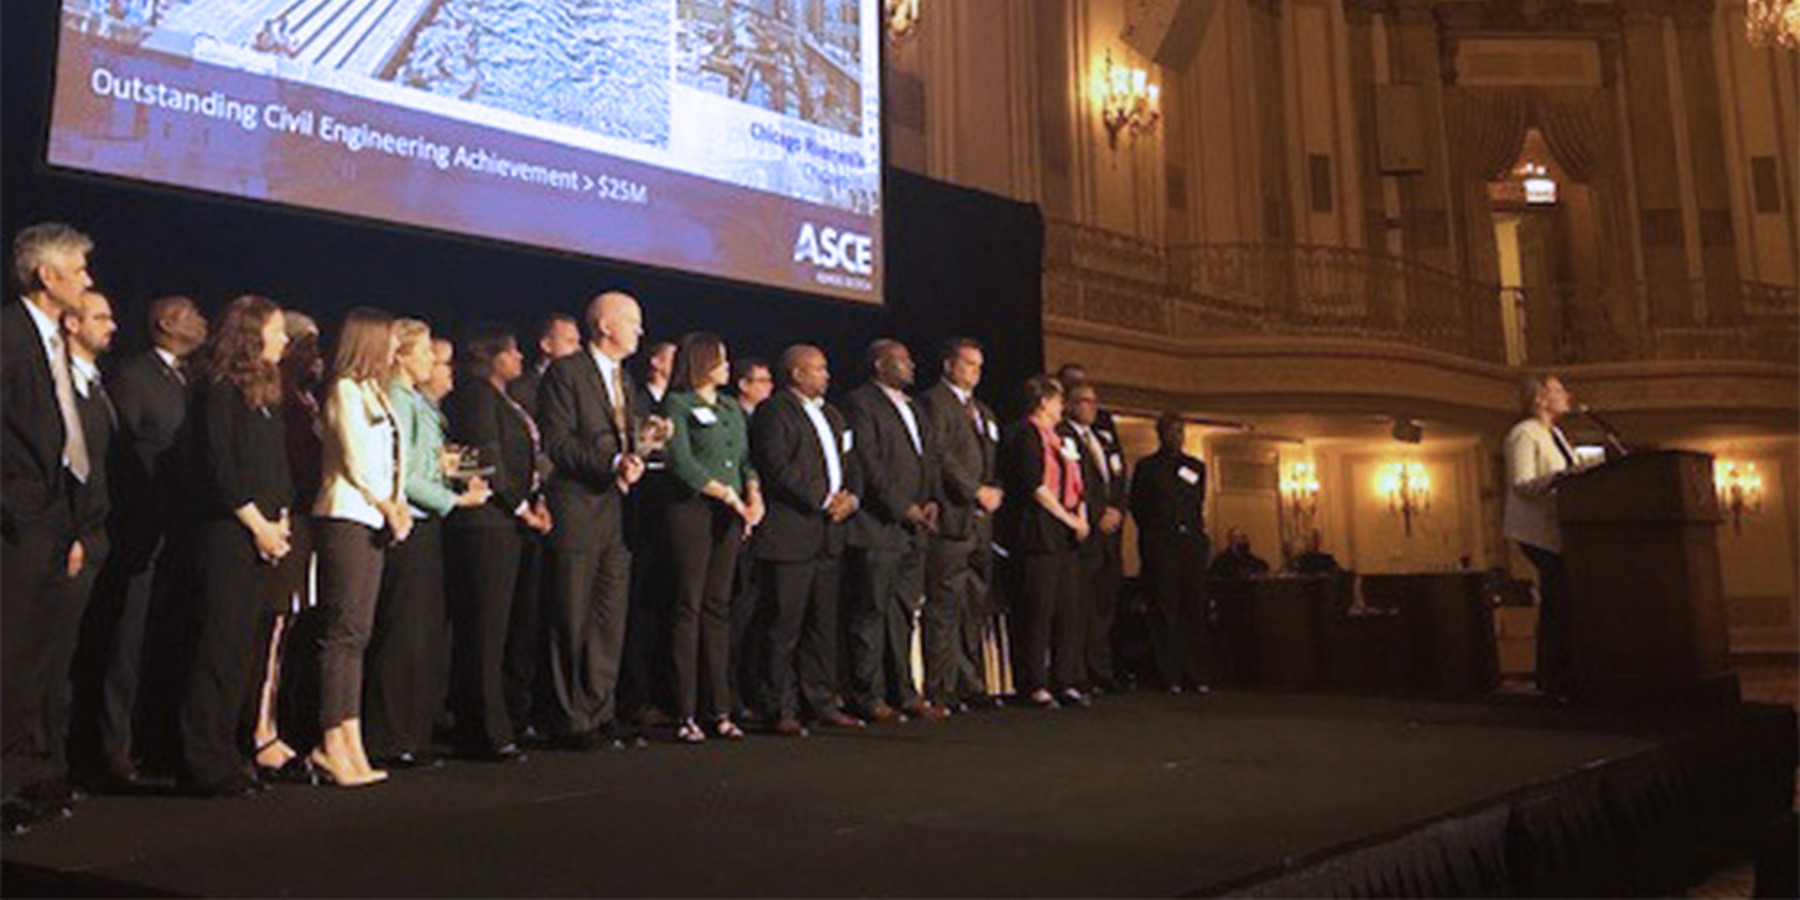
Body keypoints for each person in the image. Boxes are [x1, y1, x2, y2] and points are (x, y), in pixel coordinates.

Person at [80, 294, 204, 789]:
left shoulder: (189, 380)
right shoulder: (135, 376)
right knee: (124, 648)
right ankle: (112, 750)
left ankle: (156, 741)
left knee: (163, 641)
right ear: (168, 323)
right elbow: (122, 457)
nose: (203, 322)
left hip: (178, 535)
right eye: (193, 314)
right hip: (140, 533)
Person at [177, 295, 293, 797]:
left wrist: (280, 521)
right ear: (252, 334)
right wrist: (257, 524)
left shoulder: (264, 394)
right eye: (277, 329)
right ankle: (201, 761)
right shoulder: (219, 389)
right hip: (229, 534)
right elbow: (219, 467)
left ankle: (226, 751)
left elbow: (274, 467)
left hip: (263, 536)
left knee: (243, 650)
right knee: (217, 648)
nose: (285, 339)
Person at [3, 224, 96, 833]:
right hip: (16, 522)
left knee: (37, 659)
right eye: (79, 270)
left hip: (53, 521)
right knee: (6, 654)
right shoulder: (8, 335)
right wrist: (18, 510)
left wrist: (67, 524)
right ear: (47, 277)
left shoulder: (52, 344)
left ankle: (24, 776)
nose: (88, 281)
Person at [364, 320, 489, 768]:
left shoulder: (417, 402)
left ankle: (408, 733)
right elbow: (406, 475)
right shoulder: (398, 400)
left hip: (425, 523)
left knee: (420, 633)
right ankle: (388, 736)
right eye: (426, 355)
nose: (433, 364)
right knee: (401, 633)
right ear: (401, 356)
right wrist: (456, 499)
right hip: (410, 523)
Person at [539, 292, 655, 751]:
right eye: (633, 322)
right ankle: (569, 717)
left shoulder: (624, 380)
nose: (640, 331)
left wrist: (639, 454)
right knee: (571, 616)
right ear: (606, 325)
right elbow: (558, 441)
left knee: (608, 617)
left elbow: (627, 444)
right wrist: (611, 463)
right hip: (576, 509)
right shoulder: (567, 374)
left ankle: (599, 708)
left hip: (615, 514)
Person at [311, 308, 406, 787]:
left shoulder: (375, 392)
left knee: (359, 634)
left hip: (376, 516)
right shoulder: (345, 389)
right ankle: (331, 742)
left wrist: (399, 501)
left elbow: (392, 457)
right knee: (342, 631)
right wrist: (387, 503)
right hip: (347, 514)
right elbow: (353, 459)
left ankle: (352, 737)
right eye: (389, 341)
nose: (396, 350)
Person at [443, 325, 547, 761]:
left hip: (512, 524)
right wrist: (522, 507)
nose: (520, 360)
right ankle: (482, 728)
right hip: (487, 524)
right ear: (493, 356)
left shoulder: (506, 399)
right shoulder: (477, 395)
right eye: (513, 352)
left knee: (507, 629)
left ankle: (504, 717)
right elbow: (485, 461)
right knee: (484, 630)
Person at [749, 344, 864, 736]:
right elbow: (777, 465)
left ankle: (821, 700)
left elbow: (851, 464)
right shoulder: (774, 411)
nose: (827, 375)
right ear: (797, 374)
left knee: (822, 624)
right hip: (791, 535)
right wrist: (821, 499)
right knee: (784, 625)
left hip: (830, 536)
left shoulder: (833, 415)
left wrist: (851, 496)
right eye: (819, 369)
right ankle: (778, 706)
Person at [662, 333, 763, 742]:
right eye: (720, 359)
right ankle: (685, 712)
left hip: (732, 514)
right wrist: (728, 495)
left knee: (718, 607)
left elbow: (744, 460)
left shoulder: (730, 408)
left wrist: (753, 495)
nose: (726, 365)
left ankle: (719, 708)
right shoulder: (678, 404)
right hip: (693, 511)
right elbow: (681, 462)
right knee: (689, 605)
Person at [843, 339, 943, 723]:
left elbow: (928, 457)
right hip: (878, 527)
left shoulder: (915, 406)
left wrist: (931, 498)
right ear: (880, 365)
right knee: (870, 613)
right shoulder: (861, 402)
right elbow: (868, 461)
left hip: (914, 529)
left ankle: (905, 691)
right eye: (903, 360)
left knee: (902, 614)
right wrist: (903, 507)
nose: (912, 365)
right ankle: (868, 696)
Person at [52, 291, 116, 806]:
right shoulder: (59, 382)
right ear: (71, 324)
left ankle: (62, 763)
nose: (111, 325)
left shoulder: (98, 386)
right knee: (50, 657)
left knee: (75, 654)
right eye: (99, 316)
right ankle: (41, 767)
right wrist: (70, 531)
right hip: (66, 536)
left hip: (97, 534)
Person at [916, 338, 1003, 711]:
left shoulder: (982, 410)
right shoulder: (934, 402)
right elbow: (941, 456)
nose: (974, 372)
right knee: (944, 606)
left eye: (979, 366)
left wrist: (994, 490)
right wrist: (974, 491)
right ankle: (942, 688)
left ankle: (971, 683)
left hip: (979, 526)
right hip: (951, 519)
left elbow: (990, 460)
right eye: (968, 364)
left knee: (973, 607)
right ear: (949, 364)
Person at [504, 315, 578, 740]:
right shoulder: (523, 389)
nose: (575, 346)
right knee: (523, 615)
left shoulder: (580, 384)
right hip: (526, 508)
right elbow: (530, 448)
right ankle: (518, 709)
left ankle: (547, 705)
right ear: (546, 345)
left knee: (553, 611)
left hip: (565, 507)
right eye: (568, 339)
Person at [996, 375, 1089, 709]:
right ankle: (1034, 681)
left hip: (1065, 538)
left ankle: (1066, 679)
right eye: (1057, 399)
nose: (1062, 405)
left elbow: (1078, 482)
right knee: (1037, 610)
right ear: (1042, 401)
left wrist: (1081, 518)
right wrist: (1067, 518)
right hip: (1036, 532)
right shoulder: (1022, 434)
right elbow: (1034, 484)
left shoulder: (1062, 437)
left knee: (1067, 610)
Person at [1504, 374, 1582, 701]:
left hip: (1560, 529)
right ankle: (1552, 678)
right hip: (1538, 531)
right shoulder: (1524, 434)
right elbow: (1522, 483)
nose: (1567, 394)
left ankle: (1566, 674)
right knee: (1557, 602)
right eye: (1559, 389)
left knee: (1565, 603)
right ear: (1540, 398)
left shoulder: (1557, 435)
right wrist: (1563, 477)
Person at [1130, 412, 1211, 692]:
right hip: (1161, 544)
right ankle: (1169, 674)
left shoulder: (1196, 467)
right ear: (1160, 433)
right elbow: (1138, 506)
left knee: (1194, 607)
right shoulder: (1147, 467)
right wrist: (1154, 535)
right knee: (1165, 608)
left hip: (1191, 544)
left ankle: (1196, 672)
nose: (1176, 436)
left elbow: (1198, 504)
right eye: (1171, 431)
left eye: (1180, 431)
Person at [1061, 381, 1128, 694]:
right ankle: (1079, 672)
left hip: (1110, 538)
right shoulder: (1064, 435)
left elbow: (1118, 479)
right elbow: (1076, 483)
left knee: (1104, 606)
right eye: (1084, 401)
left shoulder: (1104, 439)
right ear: (1069, 405)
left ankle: (1102, 670)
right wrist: (1099, 511)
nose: (1091, 406)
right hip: (1085, 536)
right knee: (1081, 607)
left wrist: (1116, 509)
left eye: (1094, 401)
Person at [727, 357, 775, 720]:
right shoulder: (735, 419)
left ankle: (755, 688)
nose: (769, 387)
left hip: (769, 531)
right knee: (737, 613)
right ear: (743, 385)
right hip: (737, 527)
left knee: (761, 615)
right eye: (761, 381)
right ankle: (731, 693)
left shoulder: (768, 419)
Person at [508, 313, 581, 418]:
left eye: (578, 342)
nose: (578, 349)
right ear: (546, 345)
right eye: (570, 342)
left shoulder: (583, 383)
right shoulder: (521, 390)